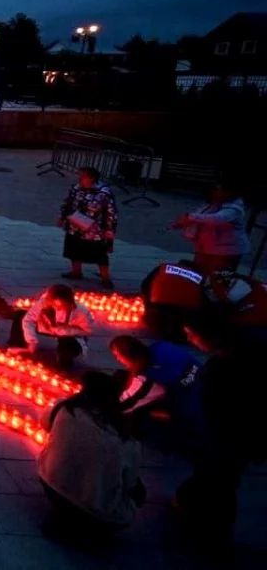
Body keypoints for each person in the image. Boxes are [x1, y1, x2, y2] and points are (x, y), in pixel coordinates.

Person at [173, 313, 266, 555]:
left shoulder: (226, 368)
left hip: (230, 439)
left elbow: (221, 411)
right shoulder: (249, 347)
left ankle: (214, 541)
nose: (189, 340)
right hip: (231, 438)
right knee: (212, 480)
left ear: (210, 336)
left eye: (191, 334)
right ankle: (191, 506)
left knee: (220, 489)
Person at [38, 371, 145, 544]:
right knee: (139, 490)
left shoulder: (64, 408)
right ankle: (94, 527)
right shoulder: (128, 440)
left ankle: (67, 516)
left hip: (52, 486)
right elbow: (129, 483)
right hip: (97, 511)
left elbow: (44, 423)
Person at [109, 336, 203, 443]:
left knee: (145, 416)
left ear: (128, 354)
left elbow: (128, 403)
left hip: (198, 410)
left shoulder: (149, 375)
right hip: (206, 380)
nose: (118, 360)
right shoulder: (161, 346)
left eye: (117, 356)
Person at [170, 181, 251, 275]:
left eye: (218, 189)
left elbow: (218, 218)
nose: (214, 192)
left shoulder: (233, 208)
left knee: (218, 277)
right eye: (215, 189)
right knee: (198, 273)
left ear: (228, 193)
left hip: (226, 250)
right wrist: (184, 223)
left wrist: (190, 217)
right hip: (206, 247)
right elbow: (202, 218)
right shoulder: (213, 204)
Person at [7, 284, 94, 370]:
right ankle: (19, 347)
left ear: (69, 302)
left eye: (61, 306)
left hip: (68, 334)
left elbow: (87, 330)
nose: (57, 308)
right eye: (54, 305)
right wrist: (31, 341)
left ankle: (64, 362)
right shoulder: (44, 302)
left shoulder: (81, 312)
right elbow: (29, 319)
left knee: (67, 348)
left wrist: (65, 331)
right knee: (20, 315)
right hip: (47, 327)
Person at [59, 167, 118, 290]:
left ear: (92, 178)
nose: (79, 178)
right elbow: (68, 203)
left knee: (99, 254)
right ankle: (76, 272)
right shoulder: (76, 188)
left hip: (94, 231)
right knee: (73, 249)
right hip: (74, 226)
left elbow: (111, 214)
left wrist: (109, 232)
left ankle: (105, 278)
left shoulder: (104, 193)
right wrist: (63, 216)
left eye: (83, 176)